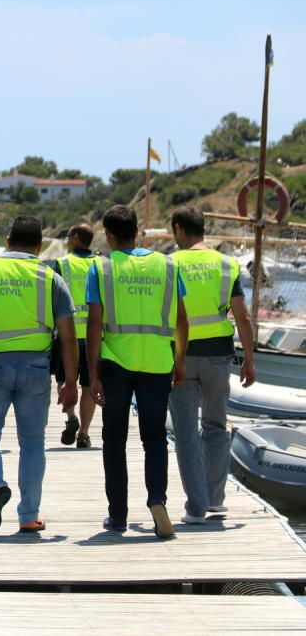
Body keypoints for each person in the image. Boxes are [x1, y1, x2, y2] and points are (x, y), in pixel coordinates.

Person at [0, 216, 79, 535]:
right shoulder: (50, 277)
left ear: (7, 240)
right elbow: (68, 336)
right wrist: (70, 382)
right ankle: (28, 516)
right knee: (33, 442)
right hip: (36, 367)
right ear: (39, 245)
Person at [86, 205, 188, 539]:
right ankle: (157, 499)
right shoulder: (168, 265)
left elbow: (95, 324)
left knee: (114, 440)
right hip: (158, 362)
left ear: (109, 234)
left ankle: (117, 517)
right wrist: (180, 360)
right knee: (155, 437)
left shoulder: (101, 268)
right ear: (137, 231)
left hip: (116, 363)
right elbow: (181, 320)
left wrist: (92, 374)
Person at [168, 207, 256, 522]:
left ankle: (196, 505)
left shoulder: (170, 263)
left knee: (186, 431)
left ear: (178, 229)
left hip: (180, 356)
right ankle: (215, 498)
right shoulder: (226, 264)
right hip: (219, 355)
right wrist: (249, 357)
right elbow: (242, 315)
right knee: (216, 426)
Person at [52, 223, 99, 448]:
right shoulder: (101, 265)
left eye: (69, 235)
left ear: (77, 238)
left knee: (63, 380)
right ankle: (84, 433)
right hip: (94, 337)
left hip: (67, 335)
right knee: (89, 385)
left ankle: (71, 418)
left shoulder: (62, 264)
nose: (68, 239)